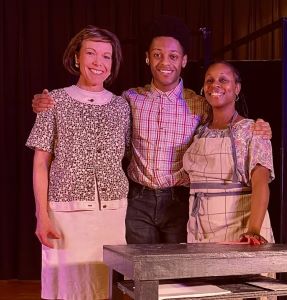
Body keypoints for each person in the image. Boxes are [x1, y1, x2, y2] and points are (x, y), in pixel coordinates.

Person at [31, 16, 271, 245]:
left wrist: (258, 127)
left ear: (184, 61)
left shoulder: (200, 104)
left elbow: (225, 120)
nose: (165, 62)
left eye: (173, 56)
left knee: (177, 277)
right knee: (139, 274)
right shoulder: (129, 100)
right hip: (138, 201)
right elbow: (98, 112)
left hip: (179, 201)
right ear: (147, 58)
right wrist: (44, 102)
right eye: (157, 55)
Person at [26, 25, 130, 300]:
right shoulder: (54, 101)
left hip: (111, 211)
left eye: (106, 56)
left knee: (102, 286)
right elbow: (40, 163)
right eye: (91, 53)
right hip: (65, 212)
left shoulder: (121, 106)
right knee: (65, 287)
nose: (98, 62)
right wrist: (42, 216)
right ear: (76, 58)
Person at [183, 61, 274, 245]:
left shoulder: (252, 130)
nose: (215, 85)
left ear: (237, 88)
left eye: (223, 80)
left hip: (240, 229)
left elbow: (260, 184)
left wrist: (253, 231)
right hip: (201, 229)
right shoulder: (200, 132)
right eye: (210, 80)